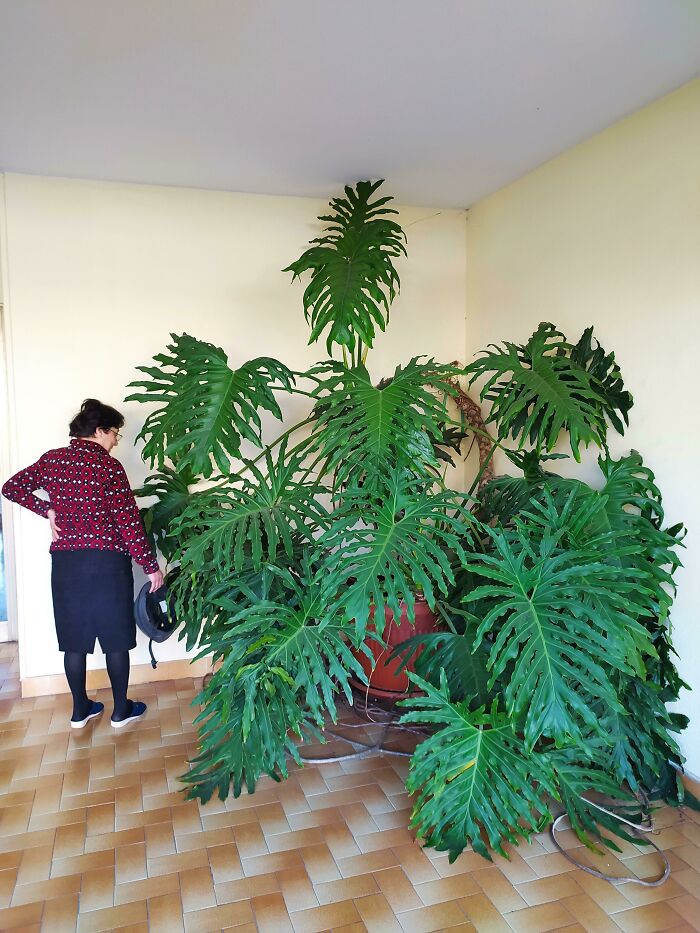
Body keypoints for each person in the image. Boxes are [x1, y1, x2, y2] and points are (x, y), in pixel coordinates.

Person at [1, 399, 163, 728]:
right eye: (115, 433)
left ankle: (80, 711)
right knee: (116, 638)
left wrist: (46, 509)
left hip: (67, 564)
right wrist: (151, 566)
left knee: (74, 639)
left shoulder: (52, 460)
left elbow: (11, 487)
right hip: (107, 563)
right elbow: (128, 521)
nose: (117, 440)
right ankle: (120, 711)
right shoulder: (109, 468)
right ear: (99, 431)